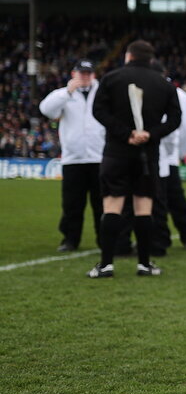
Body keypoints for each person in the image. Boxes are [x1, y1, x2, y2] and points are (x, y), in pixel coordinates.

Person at [88, 40, 181, 277]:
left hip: (116, 152)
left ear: (128, 56)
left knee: (112, 205)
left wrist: (125, 134)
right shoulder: (165, 84)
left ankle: (106, 264)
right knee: (143, 208)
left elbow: (98, 111)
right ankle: (144, 263)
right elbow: (175, 119)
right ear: (151, 59)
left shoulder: (111, 78)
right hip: (147, 155)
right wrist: (150, 135)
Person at [39, 60, 104, 252]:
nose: (84, 77)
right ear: (74, 74)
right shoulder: (64, 95)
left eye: (88, 73)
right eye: (81, 73)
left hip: (99, 158)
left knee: (101, 203)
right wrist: (67, 92)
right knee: (72, 204)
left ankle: (105, 239)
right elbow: (46, 110)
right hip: (73, 159)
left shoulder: (102, 92)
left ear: (93, 75)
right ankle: (70, 239)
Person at [151, 60, 186, 253]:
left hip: (168, 156)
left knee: (173, 199)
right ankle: (171, 235)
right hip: (158, 155)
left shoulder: (178, 95)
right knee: (161, 199)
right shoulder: (173, 93)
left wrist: (176, 153)